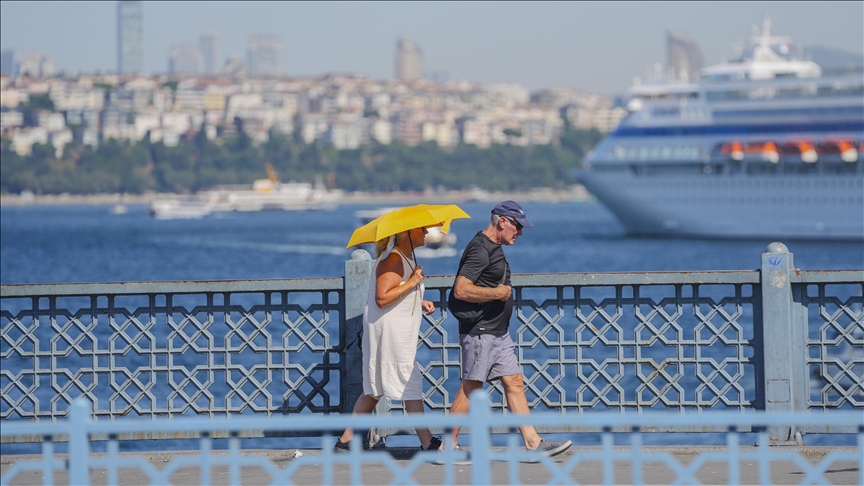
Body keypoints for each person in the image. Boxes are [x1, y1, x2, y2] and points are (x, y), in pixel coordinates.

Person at [446, 200, 572, 458]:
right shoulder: (481, 249)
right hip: (481, 331)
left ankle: (532, 442)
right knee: (472, 387)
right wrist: (497, 293)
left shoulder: (493, 247)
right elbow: (460, 289)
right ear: (502, 221)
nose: (520, 232)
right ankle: (448, 444)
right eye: (517, 226)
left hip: (498, 331)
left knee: (514, 381)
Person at [335, 225, 442, 453]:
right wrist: (413, 283)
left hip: (391, 329)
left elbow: (395, 290)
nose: (425, 233)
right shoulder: (393, 258)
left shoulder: (404, 256)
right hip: (391, 332)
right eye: (422, 229)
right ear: (407, 233)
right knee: (409, 381)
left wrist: (419, 299)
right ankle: (427, 442)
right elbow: (382, 298)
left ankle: (345, 442)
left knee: (375, 388)